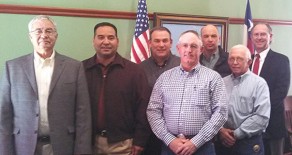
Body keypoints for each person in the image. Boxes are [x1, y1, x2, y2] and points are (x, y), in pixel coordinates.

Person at [0, 15, 92, 155]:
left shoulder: (74, 67)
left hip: (63, 146)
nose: (44, 35)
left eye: (49, 31)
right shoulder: (12, 68)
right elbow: (4, 115)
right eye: (38, 31)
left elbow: (83, 115)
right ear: (30, 36)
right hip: (23, 147)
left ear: (56, 36)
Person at [147, 30, 228, 155]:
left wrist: (196, 142)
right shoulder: (164, 78)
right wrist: (170, 140)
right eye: (185, 45)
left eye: (193, 46)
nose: (189, 50)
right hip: (170, 147)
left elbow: (221, 112)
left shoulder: (213, 78)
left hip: (202, 148)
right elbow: (153, 111)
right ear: (178, 48)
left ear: (201, 49)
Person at [82, 22, 151, 155]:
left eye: (111, 38)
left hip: (123, 144)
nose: (106, 42)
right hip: (90, 143)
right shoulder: (81, 69)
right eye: (101, 37)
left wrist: (139, 140)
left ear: (117, 41)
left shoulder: (135, 71)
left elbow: (143, 107)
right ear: (93, 41)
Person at [215, 44, 271, 155]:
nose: (235, 62)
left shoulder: (259, 84)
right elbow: (213, 110)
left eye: (239, 59)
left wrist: (235, 134)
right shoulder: (221, 82)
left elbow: (261, 117)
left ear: (249, 62)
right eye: (232, 59)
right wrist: (220, 130)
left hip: (248, 144)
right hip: (223, 142)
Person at [250, 23, 291, 155]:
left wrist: (258, 112)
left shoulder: (281, 60)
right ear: (251, 37)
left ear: (270, 37)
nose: (259, 37)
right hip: (247, 124)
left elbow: (280, 92)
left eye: (263, 34)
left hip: (272, 124)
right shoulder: (247, 60)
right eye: (256, 34)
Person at [140, 27, 180, 155]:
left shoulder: (182, 65)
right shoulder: (140, 69)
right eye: (157, 41)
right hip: (148, 133)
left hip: (177, 134)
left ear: (171, 42)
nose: (161, 45)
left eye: (165, 41)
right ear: (150, 43)